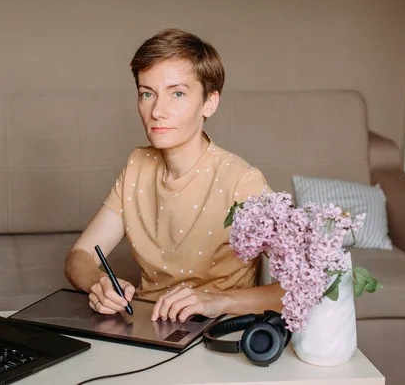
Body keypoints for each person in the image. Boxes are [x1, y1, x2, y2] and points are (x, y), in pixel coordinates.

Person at [64, 28, 284, 323]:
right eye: (147, 94)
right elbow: (79, 256)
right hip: (147, 325)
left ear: (209, 103)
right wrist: (98, 283)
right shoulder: (137, 165)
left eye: (177, 93)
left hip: (217, 330)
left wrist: (216, 301)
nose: (157, 111)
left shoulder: (242, 182)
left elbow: (302, 288)